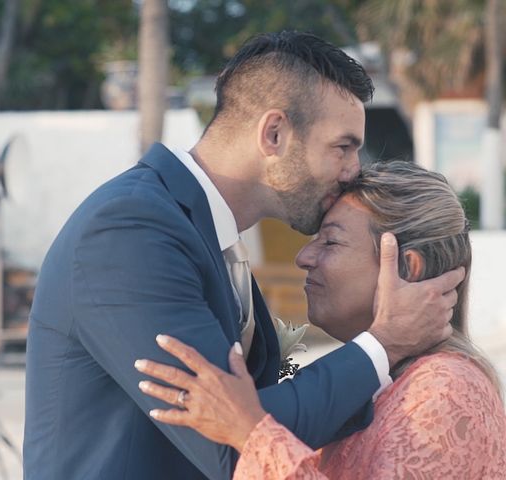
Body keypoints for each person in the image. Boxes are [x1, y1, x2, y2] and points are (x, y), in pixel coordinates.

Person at [23, 32, 463, 479]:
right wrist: (384, 343)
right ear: (274, 134)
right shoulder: (130, 231)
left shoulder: (207, 233)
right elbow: (231, 442)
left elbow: (245, 419)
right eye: (343, 147)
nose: (353, 171)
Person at [135, 161, 506, 478]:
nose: (304, 257)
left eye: (330, 242)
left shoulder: (446, 388)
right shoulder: (387, 381)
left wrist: (250, 432)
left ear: (406, 268)